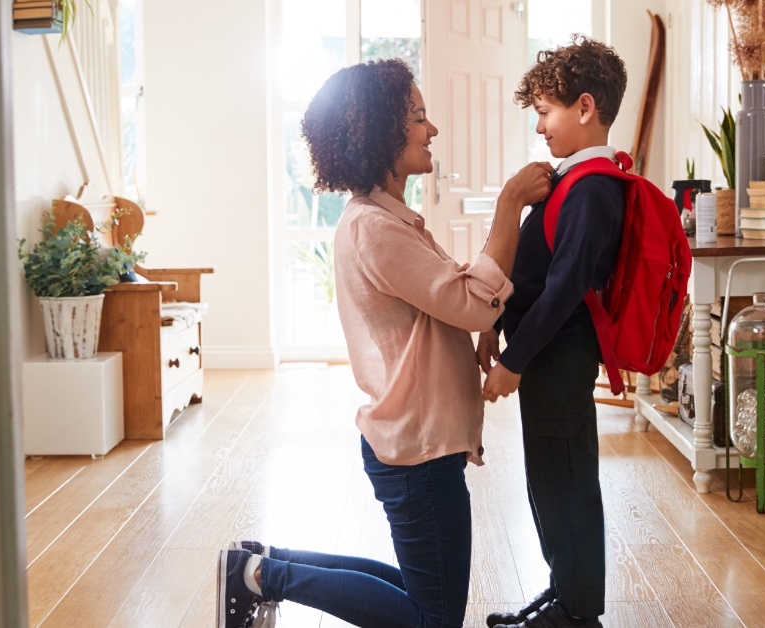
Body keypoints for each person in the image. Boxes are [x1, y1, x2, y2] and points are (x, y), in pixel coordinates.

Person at [218, 58, 554, 628]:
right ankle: (261, 578)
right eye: (419, 117)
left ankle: (261, 564)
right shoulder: (374, 229)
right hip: (416, 450)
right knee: (431, 618)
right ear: (379, 132)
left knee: (423, 592)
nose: (432, 129)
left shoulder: (386, 220)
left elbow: (454, 301)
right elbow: (470, 299)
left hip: (415, 444)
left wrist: (486, 325)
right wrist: (508, 205)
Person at [476, 35, 629, 628]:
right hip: (548, 361)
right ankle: (563, 591)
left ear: (585, 107)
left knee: (567, 484)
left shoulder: (592, 187)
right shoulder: (574, 179)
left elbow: (565, 288)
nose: (539, 127)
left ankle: (577, 610)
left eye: (545, 112)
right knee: (548, 478)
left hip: (559, 361)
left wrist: (514, 359)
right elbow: (536, 270)